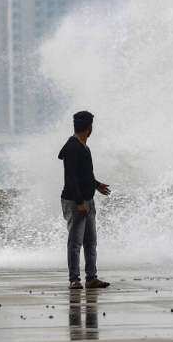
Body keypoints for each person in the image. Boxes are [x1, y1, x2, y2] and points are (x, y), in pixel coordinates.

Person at [59, 111, 111, 289]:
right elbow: (71, 178)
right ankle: (74, 279)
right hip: (75, 202)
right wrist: (80, 202)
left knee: (90, 242)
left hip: (87, 200)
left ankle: (91, 278)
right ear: (89, 129)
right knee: (75, 243)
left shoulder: (83, 146)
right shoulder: (73, 148)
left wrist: (96, 185)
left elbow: (84, 174)